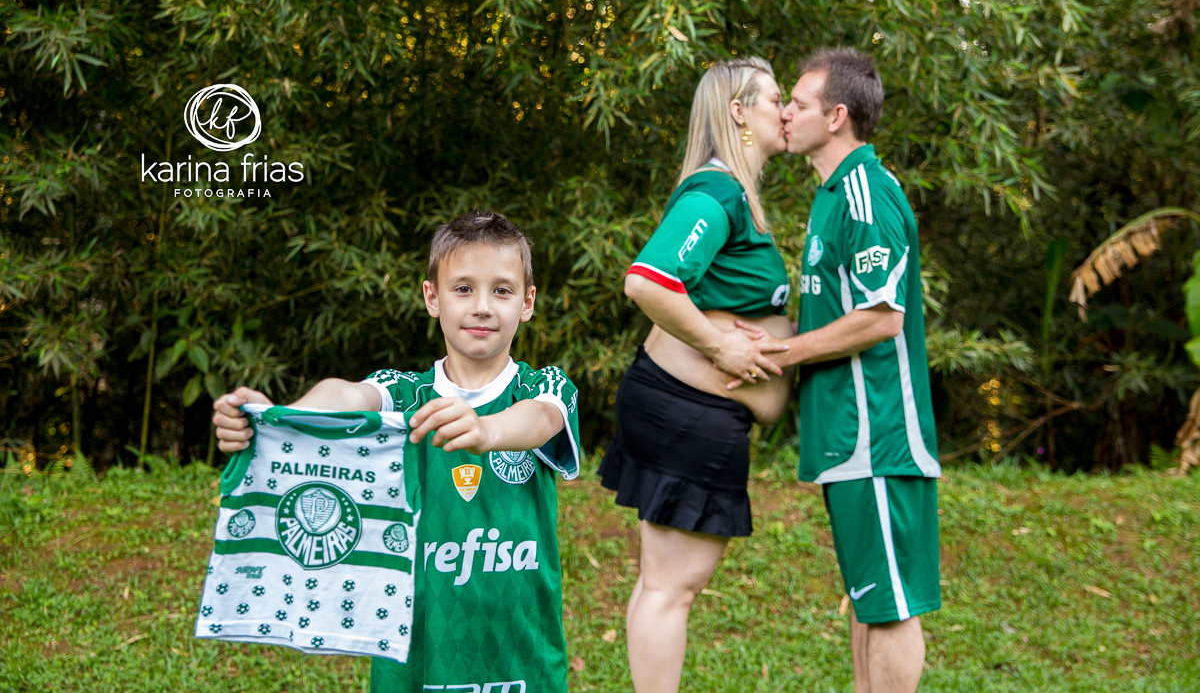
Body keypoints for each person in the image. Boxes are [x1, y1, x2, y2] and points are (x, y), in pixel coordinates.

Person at [212, 211, 581, 693]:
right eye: (463, 288)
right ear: (432, 297)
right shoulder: (404, 393)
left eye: (503, 290)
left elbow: (541, 420)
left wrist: (486, 430)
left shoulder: (543, 386)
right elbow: (346, 396)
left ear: (528, 303)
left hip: (518, 648)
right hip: (411, 644)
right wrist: (280, 417)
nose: (483, 307)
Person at [740, 48, 941, 693]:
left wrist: (785, 353)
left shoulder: (864, 193)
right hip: (847, 436)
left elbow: (883, 317)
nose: (786, 113)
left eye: (797, 103)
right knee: (867, 599)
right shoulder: (831, 196)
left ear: (837, 117)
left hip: (878, 433)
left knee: (889, 609)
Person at [598, 57, 796, 693]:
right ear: (738, 112)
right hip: (686, 412)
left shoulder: (735, 196)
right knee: (669, 590)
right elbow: (647, 281)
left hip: (687, 411)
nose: (786, 111)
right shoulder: (718, 193)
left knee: (661, 584)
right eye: (774, 98)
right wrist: (722, 347)